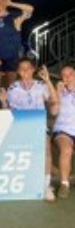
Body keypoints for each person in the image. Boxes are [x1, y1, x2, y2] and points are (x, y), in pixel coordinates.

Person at [7, 58, 58, 202]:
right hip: (20, 126)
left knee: (46, 149)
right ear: (18, 71)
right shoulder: (13, 88)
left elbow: (54, 101)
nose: (25, 71)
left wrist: (48, 80)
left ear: (33, 70)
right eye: (22, 68)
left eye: (28, 68)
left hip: (39, 125)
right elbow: (11, 110)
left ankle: (46, 186)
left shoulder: (41, 85)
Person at [0, 0, 34, 86]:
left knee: (12, 86)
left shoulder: (14, 16)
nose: (0, 3)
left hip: (12, 56)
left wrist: (11, 3)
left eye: (2, 0)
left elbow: (30, 9)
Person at [51, 65, 75, 199]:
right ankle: (64, 184)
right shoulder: (59, 92)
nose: (67, 77)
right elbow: (54, 112)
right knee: (66, 149)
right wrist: (57, 93)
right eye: (64, 75)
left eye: (70, 74)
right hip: (63, 130)